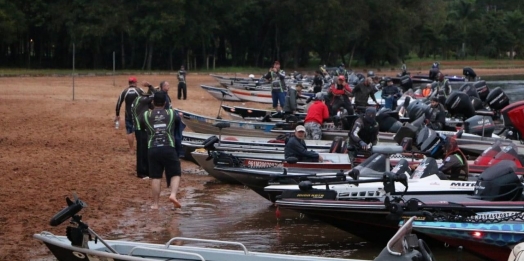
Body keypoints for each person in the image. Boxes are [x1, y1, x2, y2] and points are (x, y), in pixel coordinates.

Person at [140, 91, 183, 209]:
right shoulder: (171, 113)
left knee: (156, 176)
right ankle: (173, 195)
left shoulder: (146, 115)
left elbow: (142, 126)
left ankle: (155, 204)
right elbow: (179, 122)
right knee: (175, 173)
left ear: (153, 102)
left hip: (153, 148)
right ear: (165, 103)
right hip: (168, 147)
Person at [131, 82, 156, 178]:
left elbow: (151, 106)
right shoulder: (141, 100)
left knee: (144, 150)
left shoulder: (139, 101)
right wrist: (150, 86)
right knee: (142, 151)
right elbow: (154, 95)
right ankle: (141, 172)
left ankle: (145, 171)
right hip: (140, 128)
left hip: (140, 128)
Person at [115, 76, 144, 153]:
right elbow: (145, 99)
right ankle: (140, 149)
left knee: (129, 131)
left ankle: (131, 149)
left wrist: (117, 114)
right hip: (138, 114)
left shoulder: (124, 91)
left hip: (128, 114)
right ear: (135, 83)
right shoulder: (139, 90)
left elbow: (118, 103)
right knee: (139, 131)